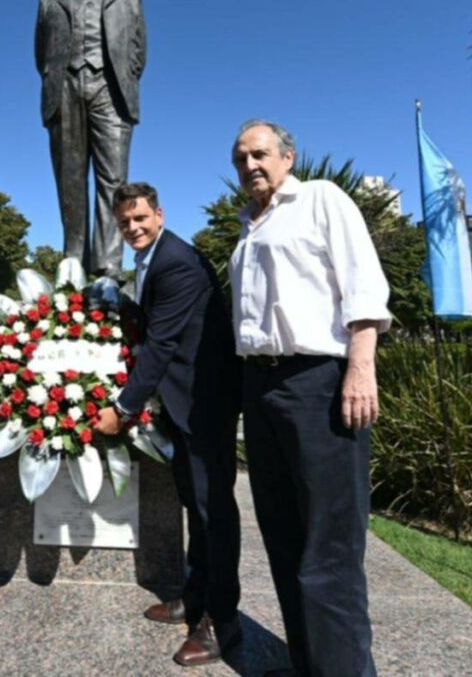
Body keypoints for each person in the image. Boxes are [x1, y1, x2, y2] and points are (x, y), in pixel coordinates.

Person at [228, 120, 391, 677]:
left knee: (330, 548)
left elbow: (363, 284)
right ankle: (308, 664)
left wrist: (359, 368)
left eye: (260, 153)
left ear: (288, 157)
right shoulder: (248, 227)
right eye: (241, 158)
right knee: (283, 538)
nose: (250, 164)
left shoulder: (321, 199)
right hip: (262, 386)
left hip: (319, 381)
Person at [95, 182, 242, 668]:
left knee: (213, 512)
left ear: (158, 214)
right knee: (193, 507)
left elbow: (161, 344)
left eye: (140, 218)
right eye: (125, 223)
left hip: (205, 404)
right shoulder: (153, 258)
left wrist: (124, 407)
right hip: (183, 404)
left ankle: (222, 621)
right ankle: (195, 597)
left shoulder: (175, 260)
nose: (133, 228)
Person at [35, 0, 146, 276]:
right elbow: (41, 54)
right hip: (64, 89)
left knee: (113, 181)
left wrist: (114, 79)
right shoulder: (49, 0)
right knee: (70, 181)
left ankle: (109, 269)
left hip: (110, 92)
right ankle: (73, 264)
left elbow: (138, 55)